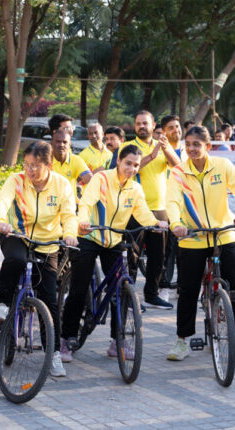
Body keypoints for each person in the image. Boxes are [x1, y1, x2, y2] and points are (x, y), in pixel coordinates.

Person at [61, 144, 167, 363]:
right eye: (128, 163)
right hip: (90, 236)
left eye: (136, 165)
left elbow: (142, 212)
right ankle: (66, 338)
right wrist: (83, 221)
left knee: (121, 290)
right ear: (118, 161)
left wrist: (156, 223)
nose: (131, 169)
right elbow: (86, 203)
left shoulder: (135, 188)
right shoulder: (101, 179)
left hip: (114, 240)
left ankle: (116, 341)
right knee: (79, 289)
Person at [166, 126, 235, 363]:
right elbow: (172, 201)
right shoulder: (178, 172)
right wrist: (176, 223)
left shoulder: (222, 166)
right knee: (188, 290)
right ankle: (182, 340)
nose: (191, 149)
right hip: (192, 237)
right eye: (188, 144)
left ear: (208, 146)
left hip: (223, 234)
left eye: (196, 144)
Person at [0, 141, 78, 377]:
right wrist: (1, 221)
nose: (29, 170)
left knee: (49, 301)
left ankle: (54, 354)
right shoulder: (16, 180)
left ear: (49, 165)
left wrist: (69, 234)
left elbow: (69, 215)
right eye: (26, 164)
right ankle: (2, 302)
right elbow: (2, 202)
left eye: (35, 165)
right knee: (16, 260)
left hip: (47, 243)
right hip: (17, 236)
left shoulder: (61, 185)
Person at [118, 111, 180, 310]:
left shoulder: (162, 146)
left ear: (154, 125)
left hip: (160, 209)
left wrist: (165, 149)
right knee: (132, 256)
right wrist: (152, 155)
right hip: (134, 210)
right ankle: (128, 297)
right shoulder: (128, 147)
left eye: (145, 123)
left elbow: (178, 167)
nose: (142, 126)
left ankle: (151, 295)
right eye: (138, 123)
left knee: (158, 257)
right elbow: (126, 170)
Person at [158, 115, 185, 301]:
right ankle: (164, 287)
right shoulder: (161, 151)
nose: (176, 130)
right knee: (169, 250)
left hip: (186, 206)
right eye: (171, 127)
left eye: (177, 126)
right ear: (164, 131)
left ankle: (182, 286)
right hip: (167, 205)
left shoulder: (187, 149)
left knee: (186, 250)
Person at [50, 129, 91, 194]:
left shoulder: (76, 160)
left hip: (69, 199)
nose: (61, 145)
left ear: (69, 145)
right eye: (58, 141)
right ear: (51, 143)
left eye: (65, 142)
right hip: (50, 199)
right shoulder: (45, 160)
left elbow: (89, 178)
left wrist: (80, 184)